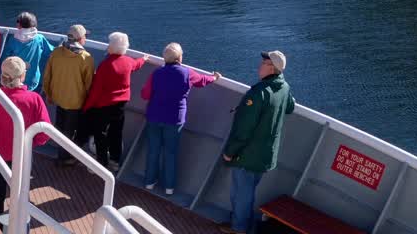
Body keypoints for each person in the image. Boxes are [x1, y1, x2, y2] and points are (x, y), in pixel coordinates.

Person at [219, 51, 296, 234]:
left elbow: (243, 128)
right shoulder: (284, 87)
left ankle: (239, 228)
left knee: (241, 193)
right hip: (265, 155)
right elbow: (291, 107)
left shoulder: (259, 93)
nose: (259, 66)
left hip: (248, 155)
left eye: (263, 63)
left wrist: (230, 151)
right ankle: (245, 223)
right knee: (249, 190)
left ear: (272, 68)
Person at [0, 57, 51, 219]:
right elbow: (44, 134)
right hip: (22, 156)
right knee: (22, 193)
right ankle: (23, 226)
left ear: (3, 76)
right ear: (22, 76)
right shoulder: (34, 99)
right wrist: (29, 143)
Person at [140, 42, 221, 194]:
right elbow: (203, 81)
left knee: (153, 151)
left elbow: (145, 94)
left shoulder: (157, 73)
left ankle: (149, 183)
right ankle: (169, 187)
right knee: (170, 153)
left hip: (154, 117)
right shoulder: (187, 73)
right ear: (179, 58)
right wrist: (215, 77)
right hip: (174, 120)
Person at [81, 32, 145, 172]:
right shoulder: (128, 61)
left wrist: (87, 107)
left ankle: (101, 162)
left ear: (113, 47)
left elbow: (96, 90)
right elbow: (136, 64)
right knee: (116, 132)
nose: (108, 46)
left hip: (104, 106)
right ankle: (115, 161)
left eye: (109, 43)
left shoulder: (105, 65)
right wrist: (144, 59)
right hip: (120, 106)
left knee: (100, 133)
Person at [42, 24, 95, 166]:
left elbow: (47, 75)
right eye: (85, 36)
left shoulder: (57, 52)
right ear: (79, 38)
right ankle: (65, 159)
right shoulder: (85, 58)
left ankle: (62, 155)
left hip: (58, 97)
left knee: (60, 128)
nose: (85, 39)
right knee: (70, 131)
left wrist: (48, 93)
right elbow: (88, 83)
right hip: (76, 101)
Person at [0, 12, 55, 92]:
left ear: (19, 25)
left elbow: (5, 58)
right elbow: (50, 51)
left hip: (15, 78)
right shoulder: (39, 39)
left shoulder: (13, 40)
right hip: (33, 78)